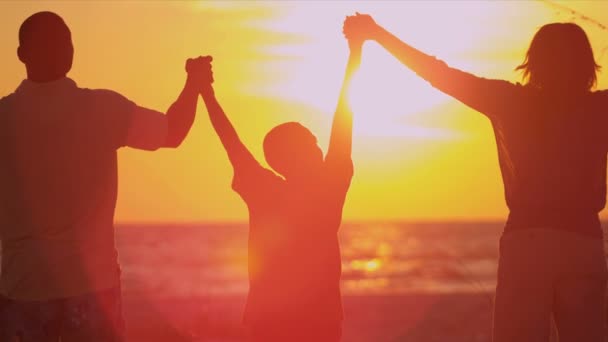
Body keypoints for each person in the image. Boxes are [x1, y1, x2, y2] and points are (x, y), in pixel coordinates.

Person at [344, 13, 608, 342]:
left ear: (534, 63)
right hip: (582, 242)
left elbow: (438, 74)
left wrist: (377, 33)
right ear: (587, 64)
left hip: (528, 241)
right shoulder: (600, 108)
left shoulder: (511, 101)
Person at [0, 11, 208, 341]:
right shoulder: (103, 109)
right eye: (62, 41)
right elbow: (173, 133)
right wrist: (193, 85)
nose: (65, 48)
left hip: (23, 287)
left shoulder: (5, 117)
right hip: (92, 289)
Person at [198, 26, 362, 342]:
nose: (319, 149)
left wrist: (207, 94)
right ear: (292, 156)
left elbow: (231, 142)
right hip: (305, 319)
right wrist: (355, 54)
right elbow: (344, 119)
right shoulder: (326, 186)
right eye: (311, 144)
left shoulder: (267, 190)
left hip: (286, 318)